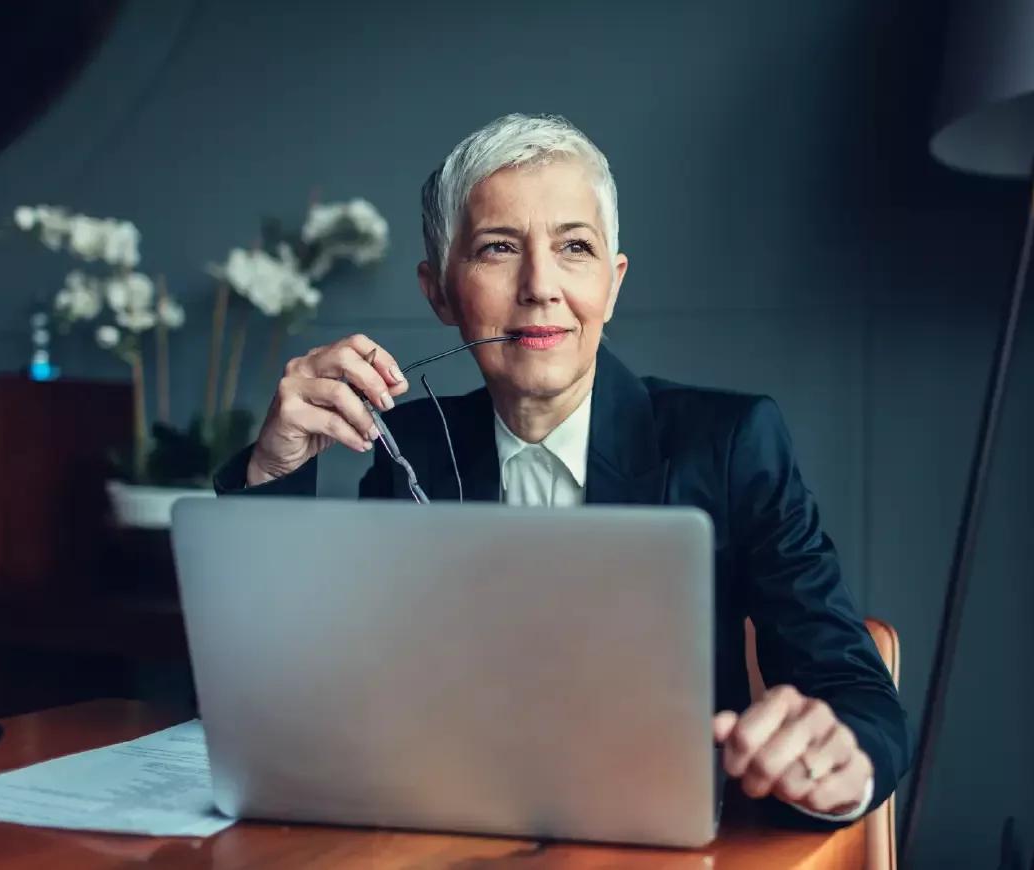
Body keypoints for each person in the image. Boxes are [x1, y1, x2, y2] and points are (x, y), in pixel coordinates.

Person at [216, 113, 910, 826]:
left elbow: (854, 694)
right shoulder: (410, 446)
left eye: (573, 247)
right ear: (440, 292)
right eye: (497, 248)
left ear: (611, 285)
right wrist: (276, 468)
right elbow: (291, 694)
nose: (540, 286)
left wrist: (836, 766)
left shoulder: (730, 442)